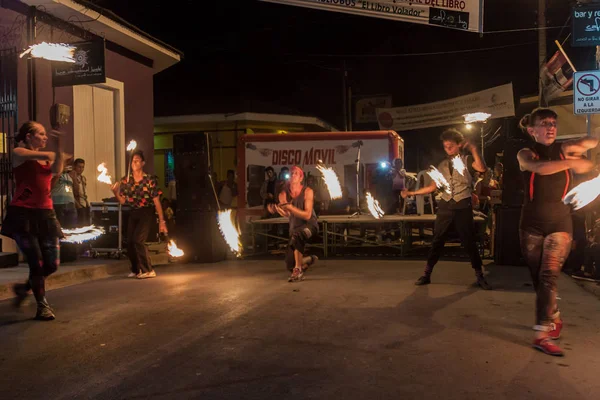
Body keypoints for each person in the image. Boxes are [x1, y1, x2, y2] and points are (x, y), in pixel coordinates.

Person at [517, 108, 597, 356]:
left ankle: (542, 332)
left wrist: (593, 130)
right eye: (544, 123)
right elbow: (540, 168)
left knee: (549, 276)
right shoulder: (525, 153)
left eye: (553, 123)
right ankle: (554, 314)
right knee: (538, 279)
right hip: (531, 224)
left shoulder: (565, 147)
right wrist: (574, 162)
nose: (550, 127)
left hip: (560, 223)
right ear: (532, 130)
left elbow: (592, 140)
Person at [402, 128, 490, 290]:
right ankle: (427, 274)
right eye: (445, 146)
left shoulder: (468, 159)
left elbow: (482, 168)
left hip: (463, 204)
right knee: (437, 240)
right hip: (445, 206)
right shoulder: (442, 165)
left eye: (451, 145)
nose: (448, 149)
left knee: (469, 242)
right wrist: (412, 193)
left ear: (458, 145)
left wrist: (474, 149)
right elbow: (432, 186)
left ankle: (479, 275)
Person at [2, 121, 64, 320]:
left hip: (46, 214)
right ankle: (42, 305)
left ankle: (24, 288)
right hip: (23, 214)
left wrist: (59, 145)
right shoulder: (18, 153)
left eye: (46, 135)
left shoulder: (46, 157)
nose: (45, 138)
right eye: (41, 134)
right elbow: (44, 157)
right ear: (28, 136)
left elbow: (57, 167)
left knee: (52, 264)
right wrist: (52, 153)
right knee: (36, 263)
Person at [111, 150, 168, 279]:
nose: (134, 163)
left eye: (137, 160)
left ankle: (148, 269)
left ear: (143, 163)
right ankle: (137, 270)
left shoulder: (149, 179)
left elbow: (156, 201)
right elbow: (123, 200)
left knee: (138, 240)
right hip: (133, 212)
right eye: (133, 161)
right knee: (129, 242)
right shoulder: (126, 181)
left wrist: (162, 221)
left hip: (146, 212)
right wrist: (115, 192)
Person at [268, 165, 318, 282]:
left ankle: (298, 270)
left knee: (298, 235)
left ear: (301, 178)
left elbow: (307, 215)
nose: (293, 175)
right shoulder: (283, 194)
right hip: (295, 228)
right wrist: (277, 210)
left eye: (296, 173)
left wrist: (290, 207)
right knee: (289, 264)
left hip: (310, 226)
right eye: (291, 173)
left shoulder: (308, 191)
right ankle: (306, 261)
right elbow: (288, 214)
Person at [51, 158, 77, 229]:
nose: (68, 167)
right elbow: (50, 186)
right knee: (60, 228)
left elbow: (75, 190)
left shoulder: (69, 175)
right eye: (66, 164)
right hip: (58, 204)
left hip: (70, 204)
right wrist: (60, 171)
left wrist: (74, 178)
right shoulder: (54, 173)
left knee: (72, 228)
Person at [70, 158, 89, 226]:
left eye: (83, 167)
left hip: (84, 204)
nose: (81, 169)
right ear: (75, 166)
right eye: (79, 167)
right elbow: (70, 192)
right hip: (77, 205)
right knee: (80, 225)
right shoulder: (71, 177)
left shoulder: (83, 178)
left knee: (86, 224)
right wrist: (77, 205)